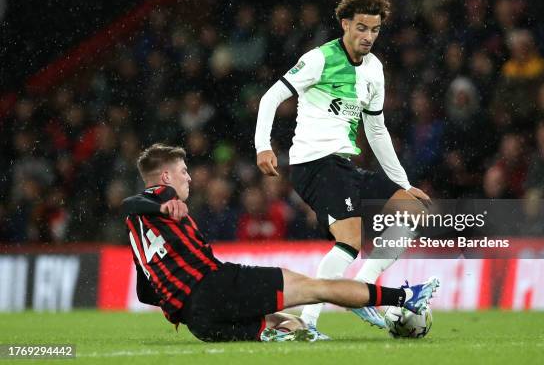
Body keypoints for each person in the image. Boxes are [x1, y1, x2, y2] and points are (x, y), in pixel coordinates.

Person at [122, 143, 440, 342]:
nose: (188, 178)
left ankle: (306, 331)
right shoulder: (159, 198)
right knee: (317, 287)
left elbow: (145, 291)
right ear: (164, 178)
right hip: (217, 286)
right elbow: (137, 200)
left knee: (290, 325)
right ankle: (405, 296)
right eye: (182, 171)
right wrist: (162, 204)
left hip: (199, 323)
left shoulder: (135, 228)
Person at [254, 0, 432, 333]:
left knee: (413, 210)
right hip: (313, 163)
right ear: (345, 24)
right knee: (350, 239)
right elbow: (271, 97)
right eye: (362, 28)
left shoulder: (374, 69)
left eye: (375, 30)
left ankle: (363, 290)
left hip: (344, 165)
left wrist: (404, 183)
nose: (368, 37)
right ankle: (309, 321)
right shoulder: (320, 58)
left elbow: (376, 130)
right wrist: (263, 145)